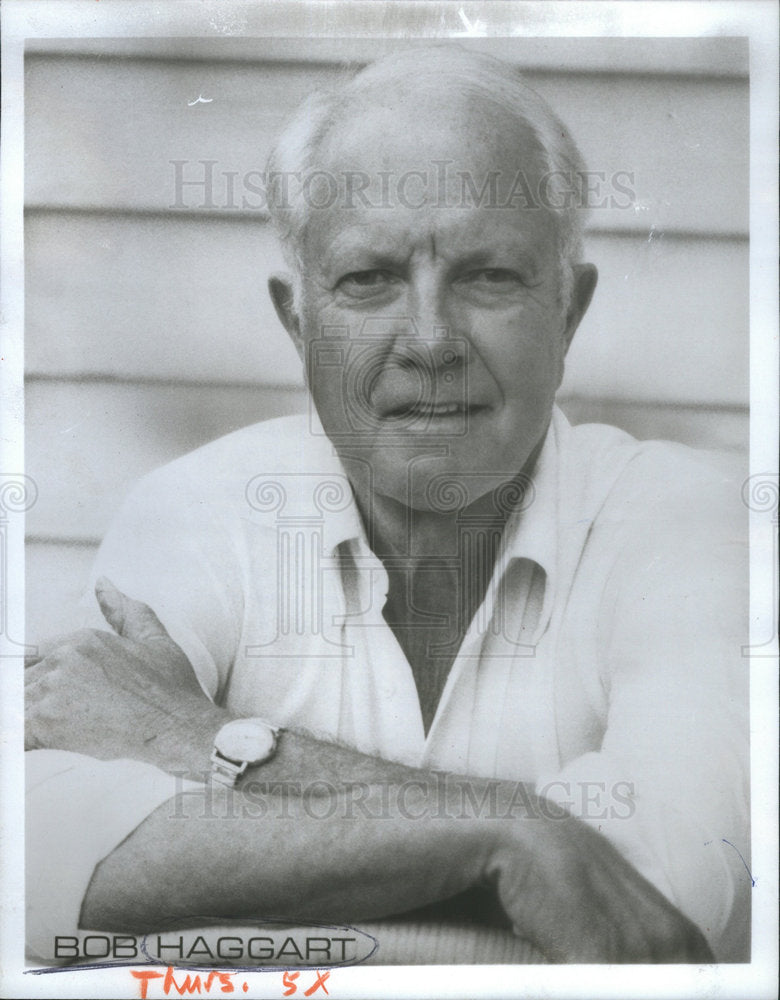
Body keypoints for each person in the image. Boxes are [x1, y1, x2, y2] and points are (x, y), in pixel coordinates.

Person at [25, 46, 749, 965]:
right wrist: (508, 839)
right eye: (369, 279)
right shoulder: (199, 508)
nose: (432, 340)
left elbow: (649, 890)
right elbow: (38, 852)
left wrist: (198, 741)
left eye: (489, 275)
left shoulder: (697, 521)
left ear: (569, 311)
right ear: (299, 323)